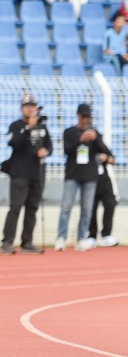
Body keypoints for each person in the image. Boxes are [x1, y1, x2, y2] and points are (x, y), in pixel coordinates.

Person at [2, 95, 52, 255]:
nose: (30, 109)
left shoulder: (42, 127)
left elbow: (49, 146)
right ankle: (7, 241)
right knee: (15, 207)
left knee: (32, 208)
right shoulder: (16, 126)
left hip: (37, 173)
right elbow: (14, 143)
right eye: (26, 106)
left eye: (32, 105)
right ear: (21, 108)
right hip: (19, 173)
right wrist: (28, 128)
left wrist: (46, 151)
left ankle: (27, 242)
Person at [59, 104, 110, 252]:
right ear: (78, 115)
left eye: (88, 116)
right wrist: (80, 140)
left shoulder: (94, 133)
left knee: (87, 210)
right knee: (66, 207)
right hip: (72, 174)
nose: (86, 119)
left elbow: (105, 151)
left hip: (90, 176)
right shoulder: (69, 132)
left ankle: (82, 238)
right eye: (83, 116)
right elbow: (67, 151)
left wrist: (95, 139)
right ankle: (61, 238)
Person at [88, 141, 118, 248]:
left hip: (105, 180)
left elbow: (112, 159)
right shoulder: (87, 148)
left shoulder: (102, 146)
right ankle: (91, 235)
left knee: (110, 204)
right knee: (91, 209)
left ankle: (106, 234)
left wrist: (106, 157)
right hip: (90, 180)